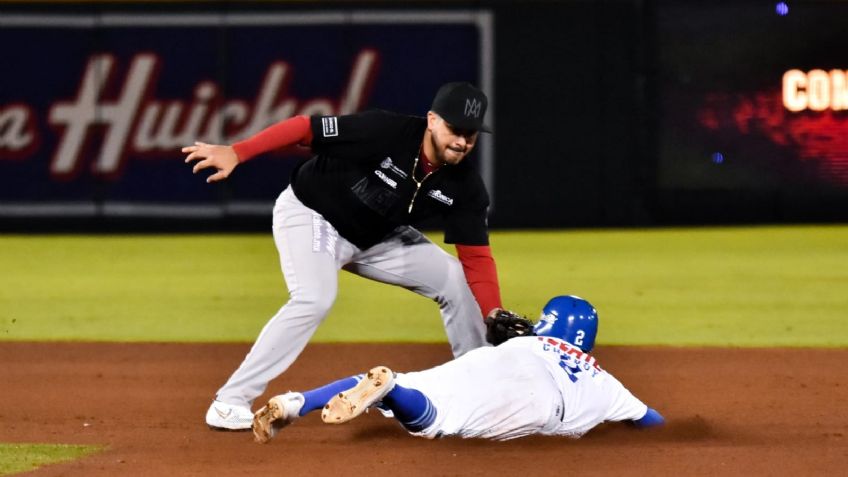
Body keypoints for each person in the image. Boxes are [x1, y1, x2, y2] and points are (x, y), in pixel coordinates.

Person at [182, 82, 506, 430]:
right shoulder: (385, 131)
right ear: (432, 120)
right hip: (313, 215)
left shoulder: (466, 186)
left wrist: (493, 311)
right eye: (455, 130)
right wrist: (239, 152)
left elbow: (477, 259)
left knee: (456, 280)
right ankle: (230, 402)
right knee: (314, 298)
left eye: (470, 135)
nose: (462, 141)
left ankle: (479, 390)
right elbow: (304, 128)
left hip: (377, 237)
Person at [252, 296, 665, 443]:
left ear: (548, 324)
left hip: (505, 358)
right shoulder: (605, 380)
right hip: (545, 404)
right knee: (436, 427)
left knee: (421, 394)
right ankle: (391, 391)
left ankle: (296, 403)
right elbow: (653, 422)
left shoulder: (530, 339)